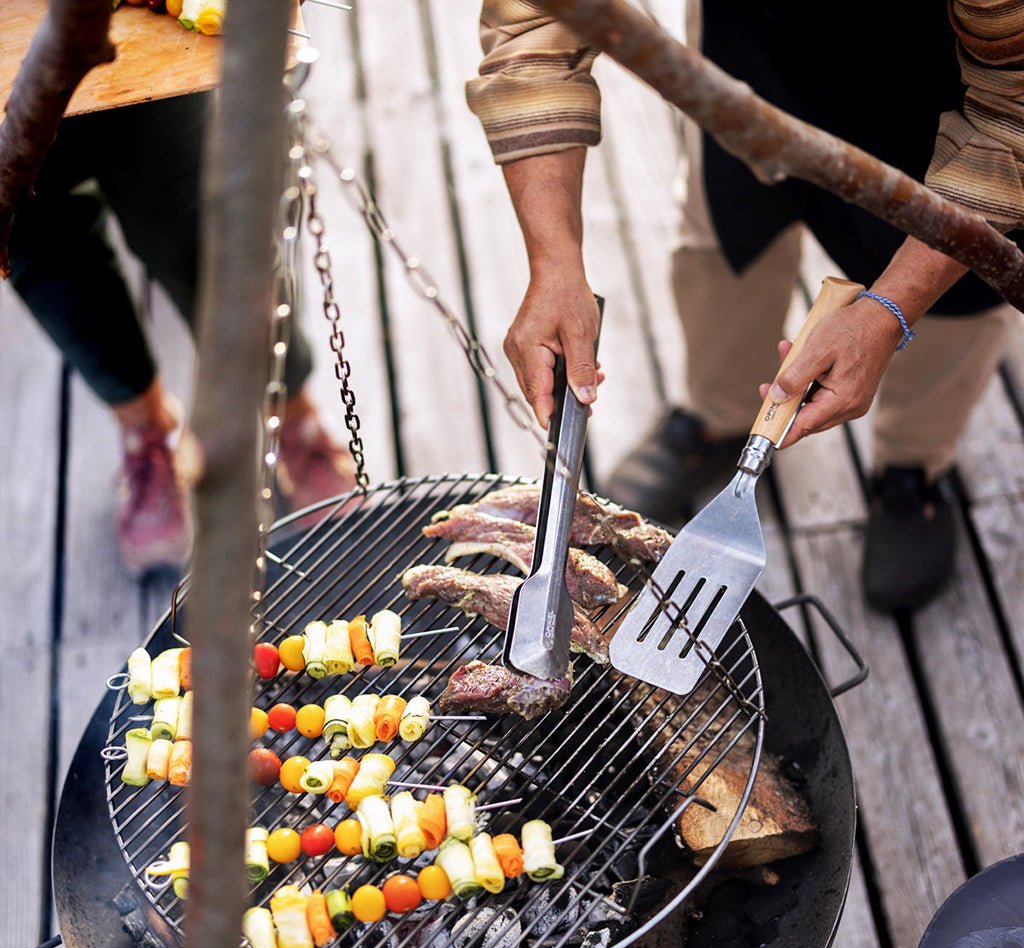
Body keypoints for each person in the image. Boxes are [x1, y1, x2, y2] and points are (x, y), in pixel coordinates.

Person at [465, 0, 1024, 613]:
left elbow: (1011, 116)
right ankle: (720, 415)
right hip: (750, 57)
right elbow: (533, 20)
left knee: (951, 308)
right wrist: (554, 262)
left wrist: (890, 308)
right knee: (723, 246)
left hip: (939, 87)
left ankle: (909, 470)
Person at [5, 90, 355, 574]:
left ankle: (291, 412)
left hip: (119, 33)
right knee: (41, 245)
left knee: (196, 220)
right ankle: (148, 433)